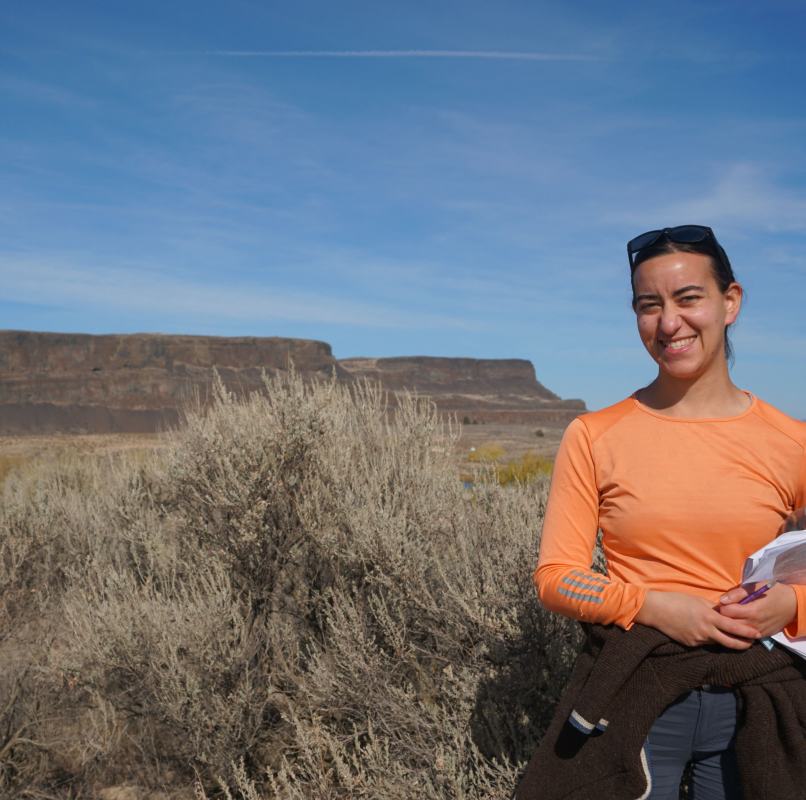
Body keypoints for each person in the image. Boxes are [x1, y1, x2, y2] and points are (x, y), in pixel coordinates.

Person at [529, 226, 806, 799]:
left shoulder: (793, 443)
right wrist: (655, 606)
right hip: (634, 697)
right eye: (648, 305)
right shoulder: (594, 435)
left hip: (759, 698)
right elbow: (556, 580)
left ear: (729, 302)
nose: (669, 323)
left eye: (688, 298)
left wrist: (792, 605)